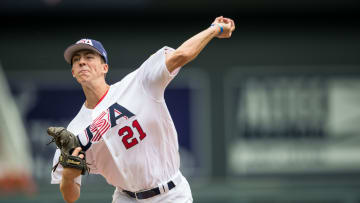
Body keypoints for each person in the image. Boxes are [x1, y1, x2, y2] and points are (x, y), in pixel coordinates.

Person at [50, 16, 235, 203]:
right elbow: (70, 197)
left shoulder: (138, 83)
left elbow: (181, 55)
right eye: (76, 60)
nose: (82, 62)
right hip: (125, 198)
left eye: (89, 57)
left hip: (171, 194)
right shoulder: (73, 133)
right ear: (73, 72)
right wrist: (69, 176)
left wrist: (214, 29)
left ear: (104, 67)